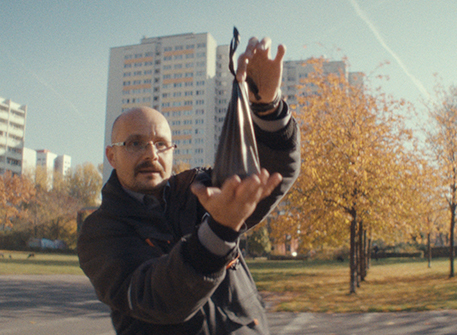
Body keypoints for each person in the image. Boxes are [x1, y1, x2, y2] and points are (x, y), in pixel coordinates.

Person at [78, 36, 300, 335]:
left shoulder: (200, 190)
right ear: (112, 155)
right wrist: (219, 231)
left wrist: (267, 106)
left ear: (173, 151)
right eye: (135, 143)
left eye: (161, 144)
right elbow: (156, 298)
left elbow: (267, 173)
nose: (151, 154)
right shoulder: (100, 232)